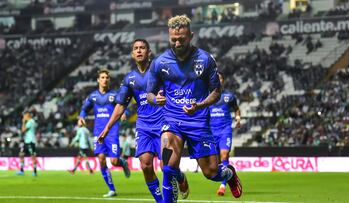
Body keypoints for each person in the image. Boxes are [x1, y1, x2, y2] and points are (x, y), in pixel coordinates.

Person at [146, 15, 242, 202]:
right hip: (171, 121)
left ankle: (229, 174)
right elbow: (149, 94)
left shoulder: (205, 59)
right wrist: (155, 99)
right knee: (167, 166)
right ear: (169, 36)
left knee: (212, 172)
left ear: (191, 35)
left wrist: (199, 105)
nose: (177, 42)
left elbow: (216, 92)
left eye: (182, 39)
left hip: (198, 122)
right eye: (174, 39)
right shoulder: (159, 62)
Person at [98, 39, 189, 203]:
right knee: (146, 165)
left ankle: (180, 177)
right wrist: (107, 128)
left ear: (149, 52)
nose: (139, 50)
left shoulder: (161, 71)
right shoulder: (129, 79)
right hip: (144, 126)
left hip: (164, 124)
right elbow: (120, 106)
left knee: (166, 168)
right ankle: (161, 201)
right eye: (136, 48)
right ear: (133, 54)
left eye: (142, 48)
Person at [78, 69, 131, 198]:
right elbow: (85, 109)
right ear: (98, 80)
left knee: (113, 161)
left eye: (107, 77)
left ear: (109, 80)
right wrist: (81, 117)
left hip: (112, 131)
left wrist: (125, 113)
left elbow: (125, 108)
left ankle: (122, 163)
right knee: (101, 160)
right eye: (102, 77)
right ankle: (112, 189)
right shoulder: (93, 96)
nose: (105, 79)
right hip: (98, 132)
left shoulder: (115, 95)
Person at [209, 71, 241, 196]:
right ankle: (229, 175)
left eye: (220, 78)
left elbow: (236, 109)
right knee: (215, 162)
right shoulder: (207, 96)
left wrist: (238, 119)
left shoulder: (229, 96)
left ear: (223, 81)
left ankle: (222, 186)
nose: (218, 80)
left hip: (224, 130)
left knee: (224, 155)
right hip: (211, 132)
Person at [16, 111, 38, 176]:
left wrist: (23, 122)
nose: (23, 117)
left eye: (24, 116)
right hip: (27, 141)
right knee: (21, 154)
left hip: (31, 141)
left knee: (33, 156)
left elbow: (23, 130)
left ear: (27, 115)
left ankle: (35, 172)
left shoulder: (30, 122)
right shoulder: (32, 121)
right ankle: (21, 170)